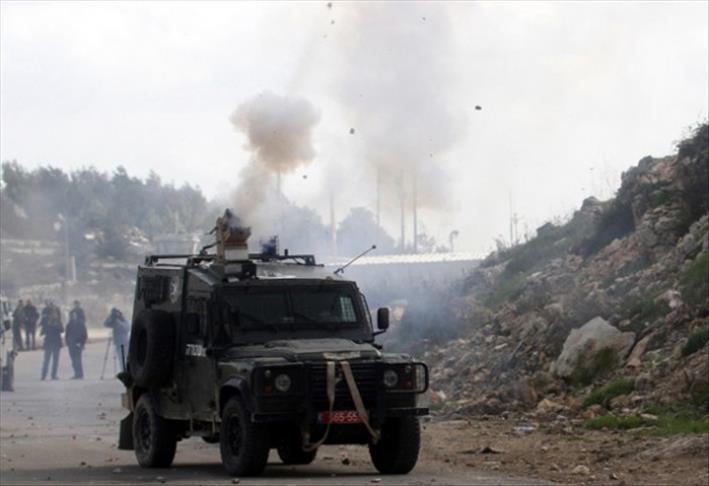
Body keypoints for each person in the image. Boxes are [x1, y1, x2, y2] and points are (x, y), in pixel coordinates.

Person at [40, 304, 63, 380]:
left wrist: (57, 324)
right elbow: (43, 331)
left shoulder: (58, 321)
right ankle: (43, 375)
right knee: (46, 360)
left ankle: (53, 375)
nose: (54, 315)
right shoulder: (47, 321)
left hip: (56, 342)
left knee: (55, 361)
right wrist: (49, 324)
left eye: (55, 313)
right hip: (49, 342)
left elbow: (62, 330)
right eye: (53, 313)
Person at [65, 301, 88, 379]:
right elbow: (67, 334)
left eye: (74, 315)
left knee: (78, 359)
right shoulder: (69, 324)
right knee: (73, 360)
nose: (73, 316)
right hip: (71, 344)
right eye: (72, 315)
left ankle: (80, 374)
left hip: (78, 343)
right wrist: (68, 342)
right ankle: (76, 373)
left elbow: (84, 334)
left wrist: (82, 343)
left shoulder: (80, 323)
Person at [104, 308, 129, 372]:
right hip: (117, 343)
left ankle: (125, 371)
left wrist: (118, 321)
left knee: (124, 358)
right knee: (120, 359)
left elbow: (126, 328)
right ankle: (123, 371)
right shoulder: (114, 320)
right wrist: (110, 317)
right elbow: (105, 324)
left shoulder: (123, 319)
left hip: (124, 342)